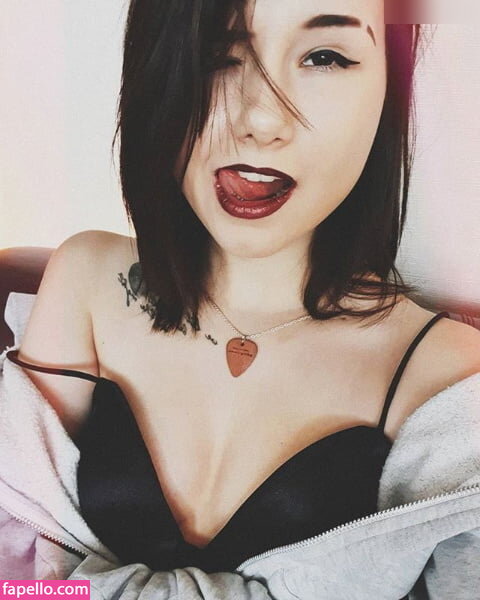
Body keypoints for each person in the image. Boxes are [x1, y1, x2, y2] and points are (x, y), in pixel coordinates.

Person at [1, 0, 480, 597]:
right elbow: (21, 573)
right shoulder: (88, 281)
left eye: (325, 57)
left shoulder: (444, 377)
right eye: (215, 56)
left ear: (389, 90)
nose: (260, 118)